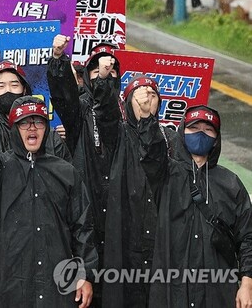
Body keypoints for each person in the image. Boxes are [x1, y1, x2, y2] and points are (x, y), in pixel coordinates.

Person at [0, 94, 97, 307]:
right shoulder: (0, 167)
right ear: (14, 128)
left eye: (38, 122)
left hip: (56, 282)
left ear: (47, 128)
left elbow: (82, 228)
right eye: (24, 122)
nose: (32, 128)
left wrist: (85, 274)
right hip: (8, 282)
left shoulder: (65, 172)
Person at [138, 104, 252, 307]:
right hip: (171, 290)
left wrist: (246, 283)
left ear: (216, 138)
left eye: (208, 130)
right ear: (182, 132)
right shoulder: (164, 174)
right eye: (193, 128)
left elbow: (247, 237)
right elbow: (151, 151)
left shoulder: (231, 183)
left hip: (217, 291)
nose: (201, 134)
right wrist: (147, 118)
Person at [47, 36, 122, 305]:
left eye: (112, 70)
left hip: (120, 209)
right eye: (97, 70)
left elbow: (110, 118)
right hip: (86, 206)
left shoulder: (129, 109)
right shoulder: (78, 110)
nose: (105, 74)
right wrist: (57, 59)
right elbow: (63, 94)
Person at [103, 76, 180, 308]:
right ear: (127, 103)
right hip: (126, 237)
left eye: (152, 95)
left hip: (160, 236)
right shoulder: (116, 135)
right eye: (139, 95)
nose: (146, 99)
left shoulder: (170, 138)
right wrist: (105, 80)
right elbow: (103, 112)